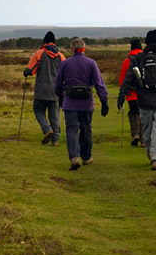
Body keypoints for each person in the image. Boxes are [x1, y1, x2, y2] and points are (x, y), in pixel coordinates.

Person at [118, 30, 156, 170]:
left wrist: (122, 97)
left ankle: (151, 154)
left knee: (147, 128)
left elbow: (128, 79)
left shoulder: (138, 59)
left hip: (143, 101)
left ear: (146, 42)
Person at [54, 38, 109, 170]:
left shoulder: (65, 64)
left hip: (70, 103)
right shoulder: (91, 63)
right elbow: (99, 83)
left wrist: (61, 97)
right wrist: (104, 100)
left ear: (72, 49)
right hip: (86, 103)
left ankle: (74, 157)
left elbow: (57, 85)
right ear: (84, 49)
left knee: (71, 129)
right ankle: (87, 157)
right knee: (86, 129)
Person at [23, 31, 65, 146]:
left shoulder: (39, 54)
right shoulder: (61, 56)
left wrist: (26, 72)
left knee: (39, 111)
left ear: (44, 42)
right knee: (54, 115)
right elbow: (65, 73)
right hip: (56, 90)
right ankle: (55, 140)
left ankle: (47, 130)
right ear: (54, 42)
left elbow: (30, 71)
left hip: (41, 89)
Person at [118, 38, 145, 147]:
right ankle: (144, 139)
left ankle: (135, 134)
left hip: (131, 94)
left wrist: (123, 93)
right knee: (143, 114)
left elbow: (122, 79)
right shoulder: (145, 59)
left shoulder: (126, 61)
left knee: (133, 113)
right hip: (143, 93)